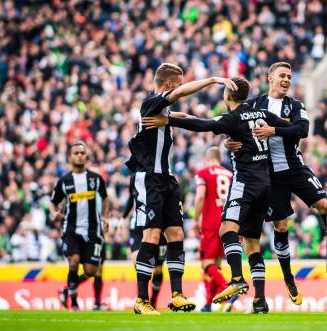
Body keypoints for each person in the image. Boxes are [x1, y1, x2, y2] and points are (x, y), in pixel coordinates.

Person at [146, 76, 303, 313]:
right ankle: (260, 301)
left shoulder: (234, 118)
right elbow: (290, 128)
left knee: (226, 229)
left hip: (245, 182)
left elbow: (203, 125)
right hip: (266, 185)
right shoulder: (261, 113)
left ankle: (237, 279)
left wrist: (167, 120)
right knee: (252, 243)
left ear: (227, 95)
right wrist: (270, 132)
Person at [226, 62, 327, 304]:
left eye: (289, 76)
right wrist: (231, 141)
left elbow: (303, 130)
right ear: (270, 78)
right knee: (280, 226)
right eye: (282, 75)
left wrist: (273, 130)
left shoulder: (295, 105)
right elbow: (235, 123)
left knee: (323, 204)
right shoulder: (255, 104)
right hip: (268, 174)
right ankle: (289, 278)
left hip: (294, 167)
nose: (286, 80)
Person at [128, 62, 237, 315]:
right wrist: (212, 80)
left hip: (167, 180)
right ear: (168, 85)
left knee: (176, 234)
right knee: (152, 236)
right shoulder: (151, 102)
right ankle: (141, 300)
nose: (178, 90)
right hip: (149, 179)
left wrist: (218, 124)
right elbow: (179, 94)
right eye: (177, 85)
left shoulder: (162, 114)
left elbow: (186, 118)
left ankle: (176, 295)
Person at [51, 141, 109, 311]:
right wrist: (56, 212)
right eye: (76, 153)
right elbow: (53, 202)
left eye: (82, 153)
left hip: (93, 230)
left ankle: (65, 290)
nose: (79, 156)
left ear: (87, 157)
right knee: (74, 262)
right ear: (70, 157)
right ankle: (74, 303)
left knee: (91, 271)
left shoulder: (95, 179)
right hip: (71, 229)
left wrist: (105, 217)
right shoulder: (64, 181)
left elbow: (105, 198)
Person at [193, 147, 235, 312]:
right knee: (216, 265)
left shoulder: (203, 173)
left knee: (206, 264)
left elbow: (200, 196)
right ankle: (209, 303)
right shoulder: (230, 174)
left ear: (207, 158)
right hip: (228, 221)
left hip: (211, 222)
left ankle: (228, 288)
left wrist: (196, 219)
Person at [123, 177, 167, 309]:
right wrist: (123, 218)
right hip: (138, 225)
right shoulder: (135, 177)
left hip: (160, 226)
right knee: (138, 260)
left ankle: (153, 300)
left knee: (158, 269)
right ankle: (142, 299)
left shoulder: (163, 175)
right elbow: (132, 198)